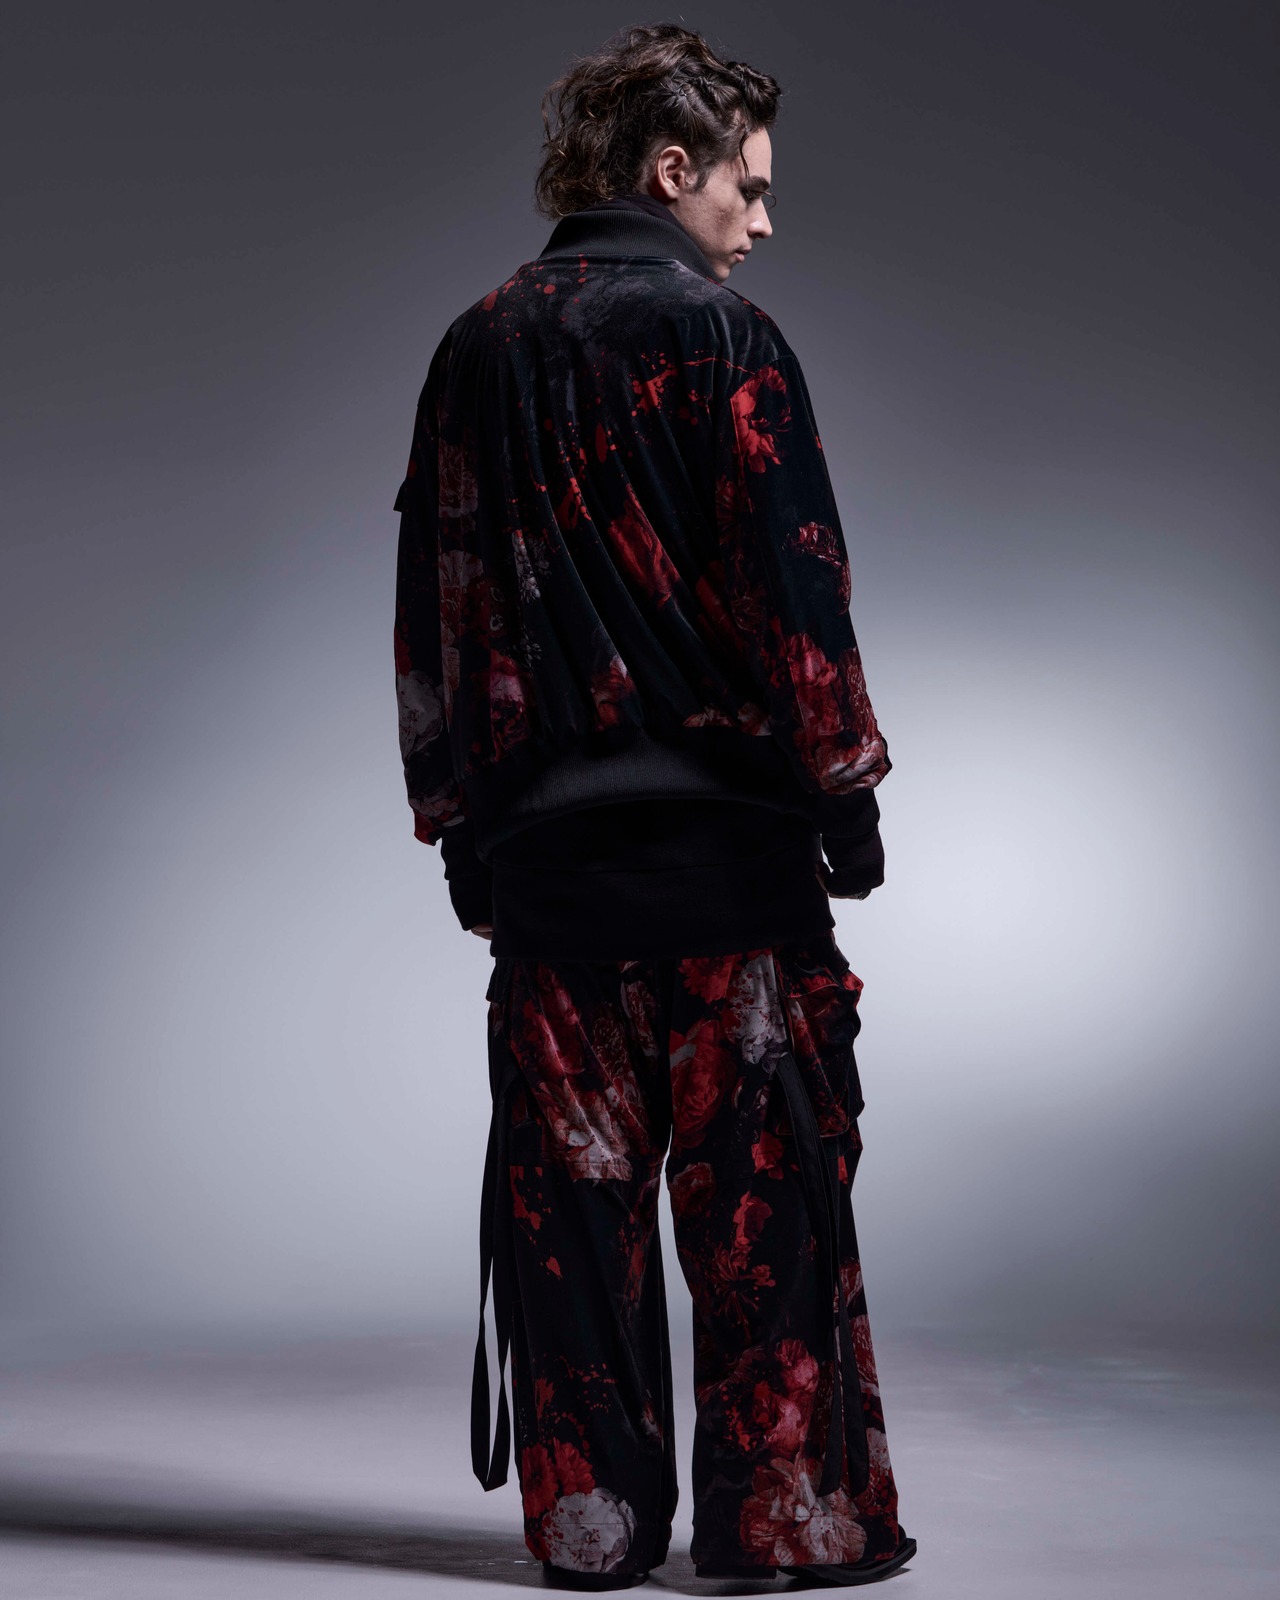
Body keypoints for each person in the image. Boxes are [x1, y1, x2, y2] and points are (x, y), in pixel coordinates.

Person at [393, 22, 917, 1590]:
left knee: (573, 1226)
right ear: (670, 169)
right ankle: (778, 1526)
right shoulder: (725, 339)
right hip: (727, 877)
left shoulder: (476, 345)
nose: (764, 220)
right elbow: (793, 585)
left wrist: (460, 828)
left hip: (552, 880)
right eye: (748, 188)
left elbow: (438, 601)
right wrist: (845, 796)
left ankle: (595, 1528)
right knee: (765, 1224)